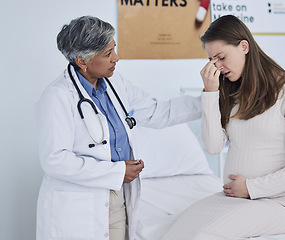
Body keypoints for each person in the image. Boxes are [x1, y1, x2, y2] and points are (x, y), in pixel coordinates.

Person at [35, 16, 201, 240]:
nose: (116, 58)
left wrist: (211, 101)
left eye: (114, 49)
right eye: (107, 54)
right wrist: (118, 172)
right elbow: (55, 160)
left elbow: (157, 112)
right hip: (79, 208)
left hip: (118, 197)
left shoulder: (115, 83)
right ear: (82, 61)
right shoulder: (58, 96)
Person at [162, 15, 285, 239]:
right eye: (212, 60)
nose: (217, 66)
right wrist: (210, 93)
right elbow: (214, 147)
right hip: (234, 198)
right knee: (175, 232)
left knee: (203, 235)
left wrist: (252, 188)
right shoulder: (231, 93)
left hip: (280, 204)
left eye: (221, 57)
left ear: (244, 46)